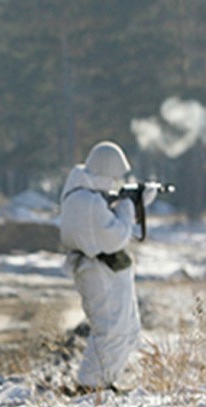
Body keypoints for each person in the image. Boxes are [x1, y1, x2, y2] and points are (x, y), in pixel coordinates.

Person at [59, 141, 155, 394]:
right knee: (110, 329)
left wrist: (133, 202)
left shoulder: (86, 194)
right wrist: (128, 206)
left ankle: (104, 382)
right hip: (97, 270)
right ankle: (92, 386)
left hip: (101, 269)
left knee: (125, 329)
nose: (118, 181)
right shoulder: (87, 201)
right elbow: (116, 236)